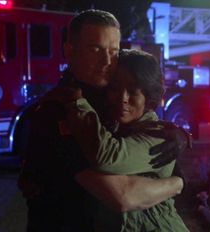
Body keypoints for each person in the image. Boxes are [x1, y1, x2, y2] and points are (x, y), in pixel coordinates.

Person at [18, 9, 190, 232]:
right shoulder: (61, 109)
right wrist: (177, 183)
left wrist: (179, 139)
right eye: (95, 49)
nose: (107, 61)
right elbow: (121, 196)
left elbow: (143, 155)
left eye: (113, 51)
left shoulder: (106, 101)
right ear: (70, 51)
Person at [61, 49, 189, 231]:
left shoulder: (159, 135)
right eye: (115, 88)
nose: (123, 98)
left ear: (148, 97)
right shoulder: (113, 128)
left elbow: (107, 156)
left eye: (133, 91)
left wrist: (76, 103)